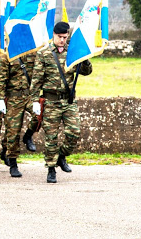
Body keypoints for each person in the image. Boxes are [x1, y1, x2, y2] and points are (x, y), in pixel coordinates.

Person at [29, 21, 92, 184]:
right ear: (54, 35)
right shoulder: (44, 53)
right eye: (60, 37)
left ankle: (61, 156)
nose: (62, 40)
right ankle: (51, 169)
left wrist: (85, 60)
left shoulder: (74, 51)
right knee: (51, 137)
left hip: (68, 100)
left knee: (74, 132)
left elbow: (87, 72)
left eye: (65, 37)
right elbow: (36, 79)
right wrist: (35, 101)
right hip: (51, 101)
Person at [0, 51, 38, 178]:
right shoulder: (6, 56)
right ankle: (13, 164)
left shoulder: (34, 52)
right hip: (13, 98)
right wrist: (0, 99)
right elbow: (1, 79)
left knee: (40, 116)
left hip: (29, 96)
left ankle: (28, 136)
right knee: (13, 132)